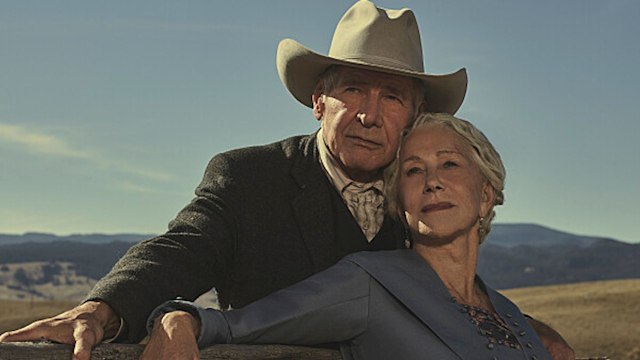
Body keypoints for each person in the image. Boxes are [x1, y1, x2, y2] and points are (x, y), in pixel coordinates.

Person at [0, 1, 573, 359]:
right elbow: (182, 250)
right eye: (353, 89)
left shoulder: (420, 196)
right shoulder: (251, 178)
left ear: (413, 116)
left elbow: (447, 295)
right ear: (318, 100)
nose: (370, 114)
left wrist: (530, 332)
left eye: (392, 96)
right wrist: (102, 309)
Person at [142, 113, 554, 360]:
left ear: (486, 196)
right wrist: (178, 317)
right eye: (413, 170)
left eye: (449, 164)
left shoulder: (509, 314)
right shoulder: (368, 283)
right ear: (399, 202)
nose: (432, 182)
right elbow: (236, 326)